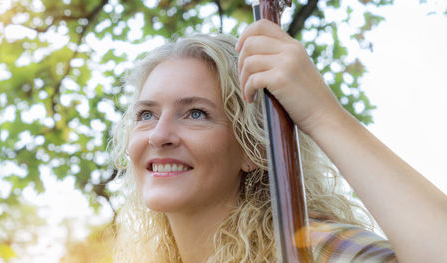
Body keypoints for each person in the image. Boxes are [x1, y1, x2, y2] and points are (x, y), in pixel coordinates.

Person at [109, 20, 447, 262]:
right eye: (146, 115)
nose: (158, 135)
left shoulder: (309, 249)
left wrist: (322, 115)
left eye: (196, 113)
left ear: (253, 147)